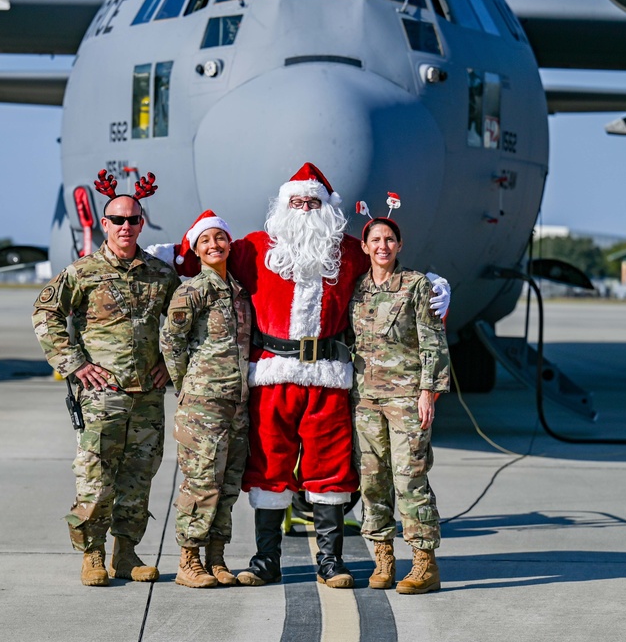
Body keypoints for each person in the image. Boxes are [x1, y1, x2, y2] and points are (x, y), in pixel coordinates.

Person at [164, 163, 451, 589]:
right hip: (271, 376)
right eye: (296, 201)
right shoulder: (254, 248)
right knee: (268, 466)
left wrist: (432, 284)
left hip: (328, 378)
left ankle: (331, 560)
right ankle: (266, 559)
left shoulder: (350, 251)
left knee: (331, 467)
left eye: (312, 202)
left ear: (327, 208)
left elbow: (385, 265)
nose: (303, 208)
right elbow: (206, 260)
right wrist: (163, 258)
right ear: (283, 205)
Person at [32, 169, 180, 587]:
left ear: (142, 223)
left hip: (148, 398)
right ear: (105, 224)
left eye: (133, 219)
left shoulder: (160, 274)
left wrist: (170, 364)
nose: (126, 227)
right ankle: (92, 554)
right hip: (103, 397)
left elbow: (184, 324)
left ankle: (128, 553)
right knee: (95, 481)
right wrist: (75, 363)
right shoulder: (82, 272)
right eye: (118, 219)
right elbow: (46, 314)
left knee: (138, 479)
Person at [349, 217, 450, 595]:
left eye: (390, 239)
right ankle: (383, 559)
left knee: (410, 479)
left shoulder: (415, 285)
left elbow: (433, 341)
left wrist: (429, 392)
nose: (383, 246)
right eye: (375, 239)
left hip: (407, 398)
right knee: (373, 481)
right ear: (364, 246)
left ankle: (424, 563)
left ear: (400, 245)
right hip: (366, 399)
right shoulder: (357, 289)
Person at [159, 211, 252, 589]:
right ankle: (189, 560)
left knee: (228, 484)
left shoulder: (240, 291)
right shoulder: (192, 290)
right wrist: (187, 385)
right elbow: (171, 342)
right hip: (203, 404)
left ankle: (216, 558)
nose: (214, 245)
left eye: (220, 238)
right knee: (201, 484)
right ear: (196, 250)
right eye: (206, 241)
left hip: (237, 403)